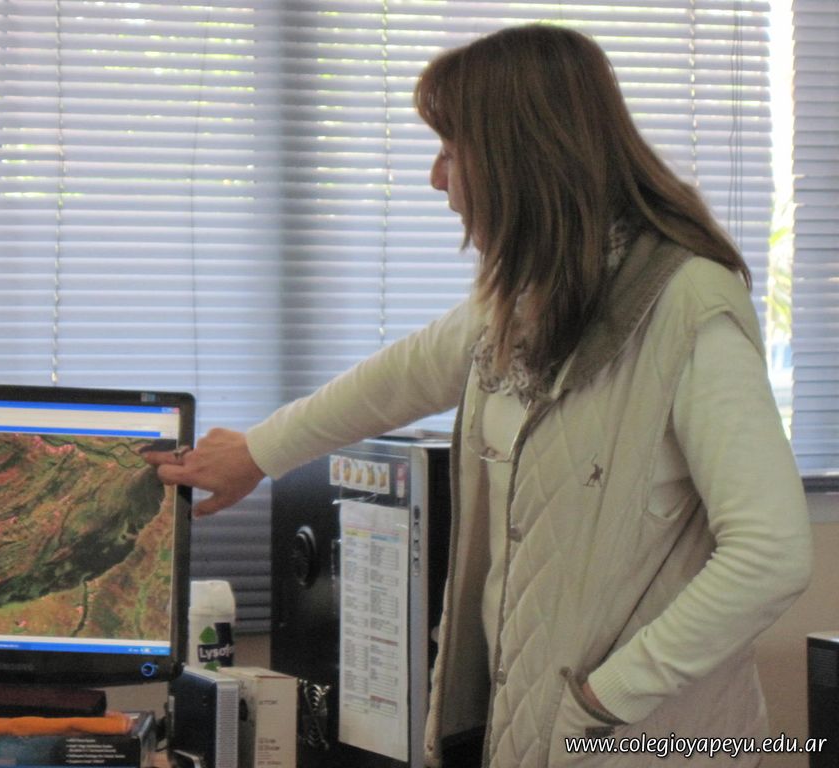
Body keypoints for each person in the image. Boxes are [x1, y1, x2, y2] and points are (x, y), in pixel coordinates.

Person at [145, 23, 811, 767]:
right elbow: (397, 378)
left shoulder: (689, 308)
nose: (437, 178)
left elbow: (772, 554)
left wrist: (609, 695)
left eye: (452, 152)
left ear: (517, 160)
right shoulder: (532, 298)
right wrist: (258, 453)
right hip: (533, 723)